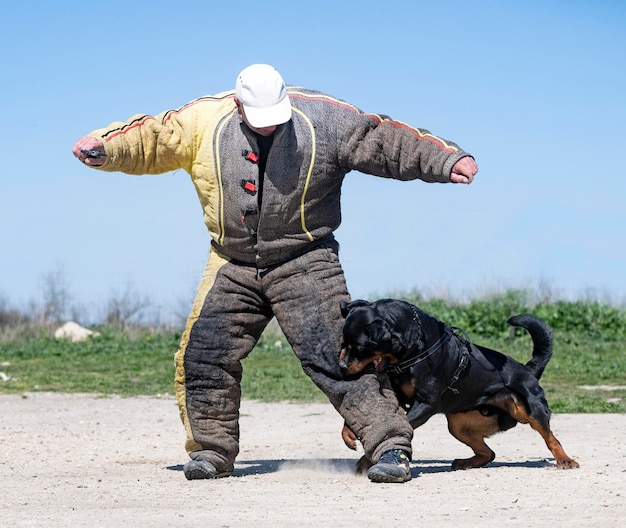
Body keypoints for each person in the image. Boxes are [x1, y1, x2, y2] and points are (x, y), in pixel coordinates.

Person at [73, 64, 478, 484]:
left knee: (339, 355)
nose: (269, 129)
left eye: (276, 120)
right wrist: (105, 146)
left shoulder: (326, 118)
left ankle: (391, 446)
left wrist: (447, 159)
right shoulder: (203, 120)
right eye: (258, 121)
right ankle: (211, 450)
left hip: (305, 259)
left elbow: (384, 139)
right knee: (204, 355)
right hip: (231, 263)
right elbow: (153, 137)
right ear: (237, 105)